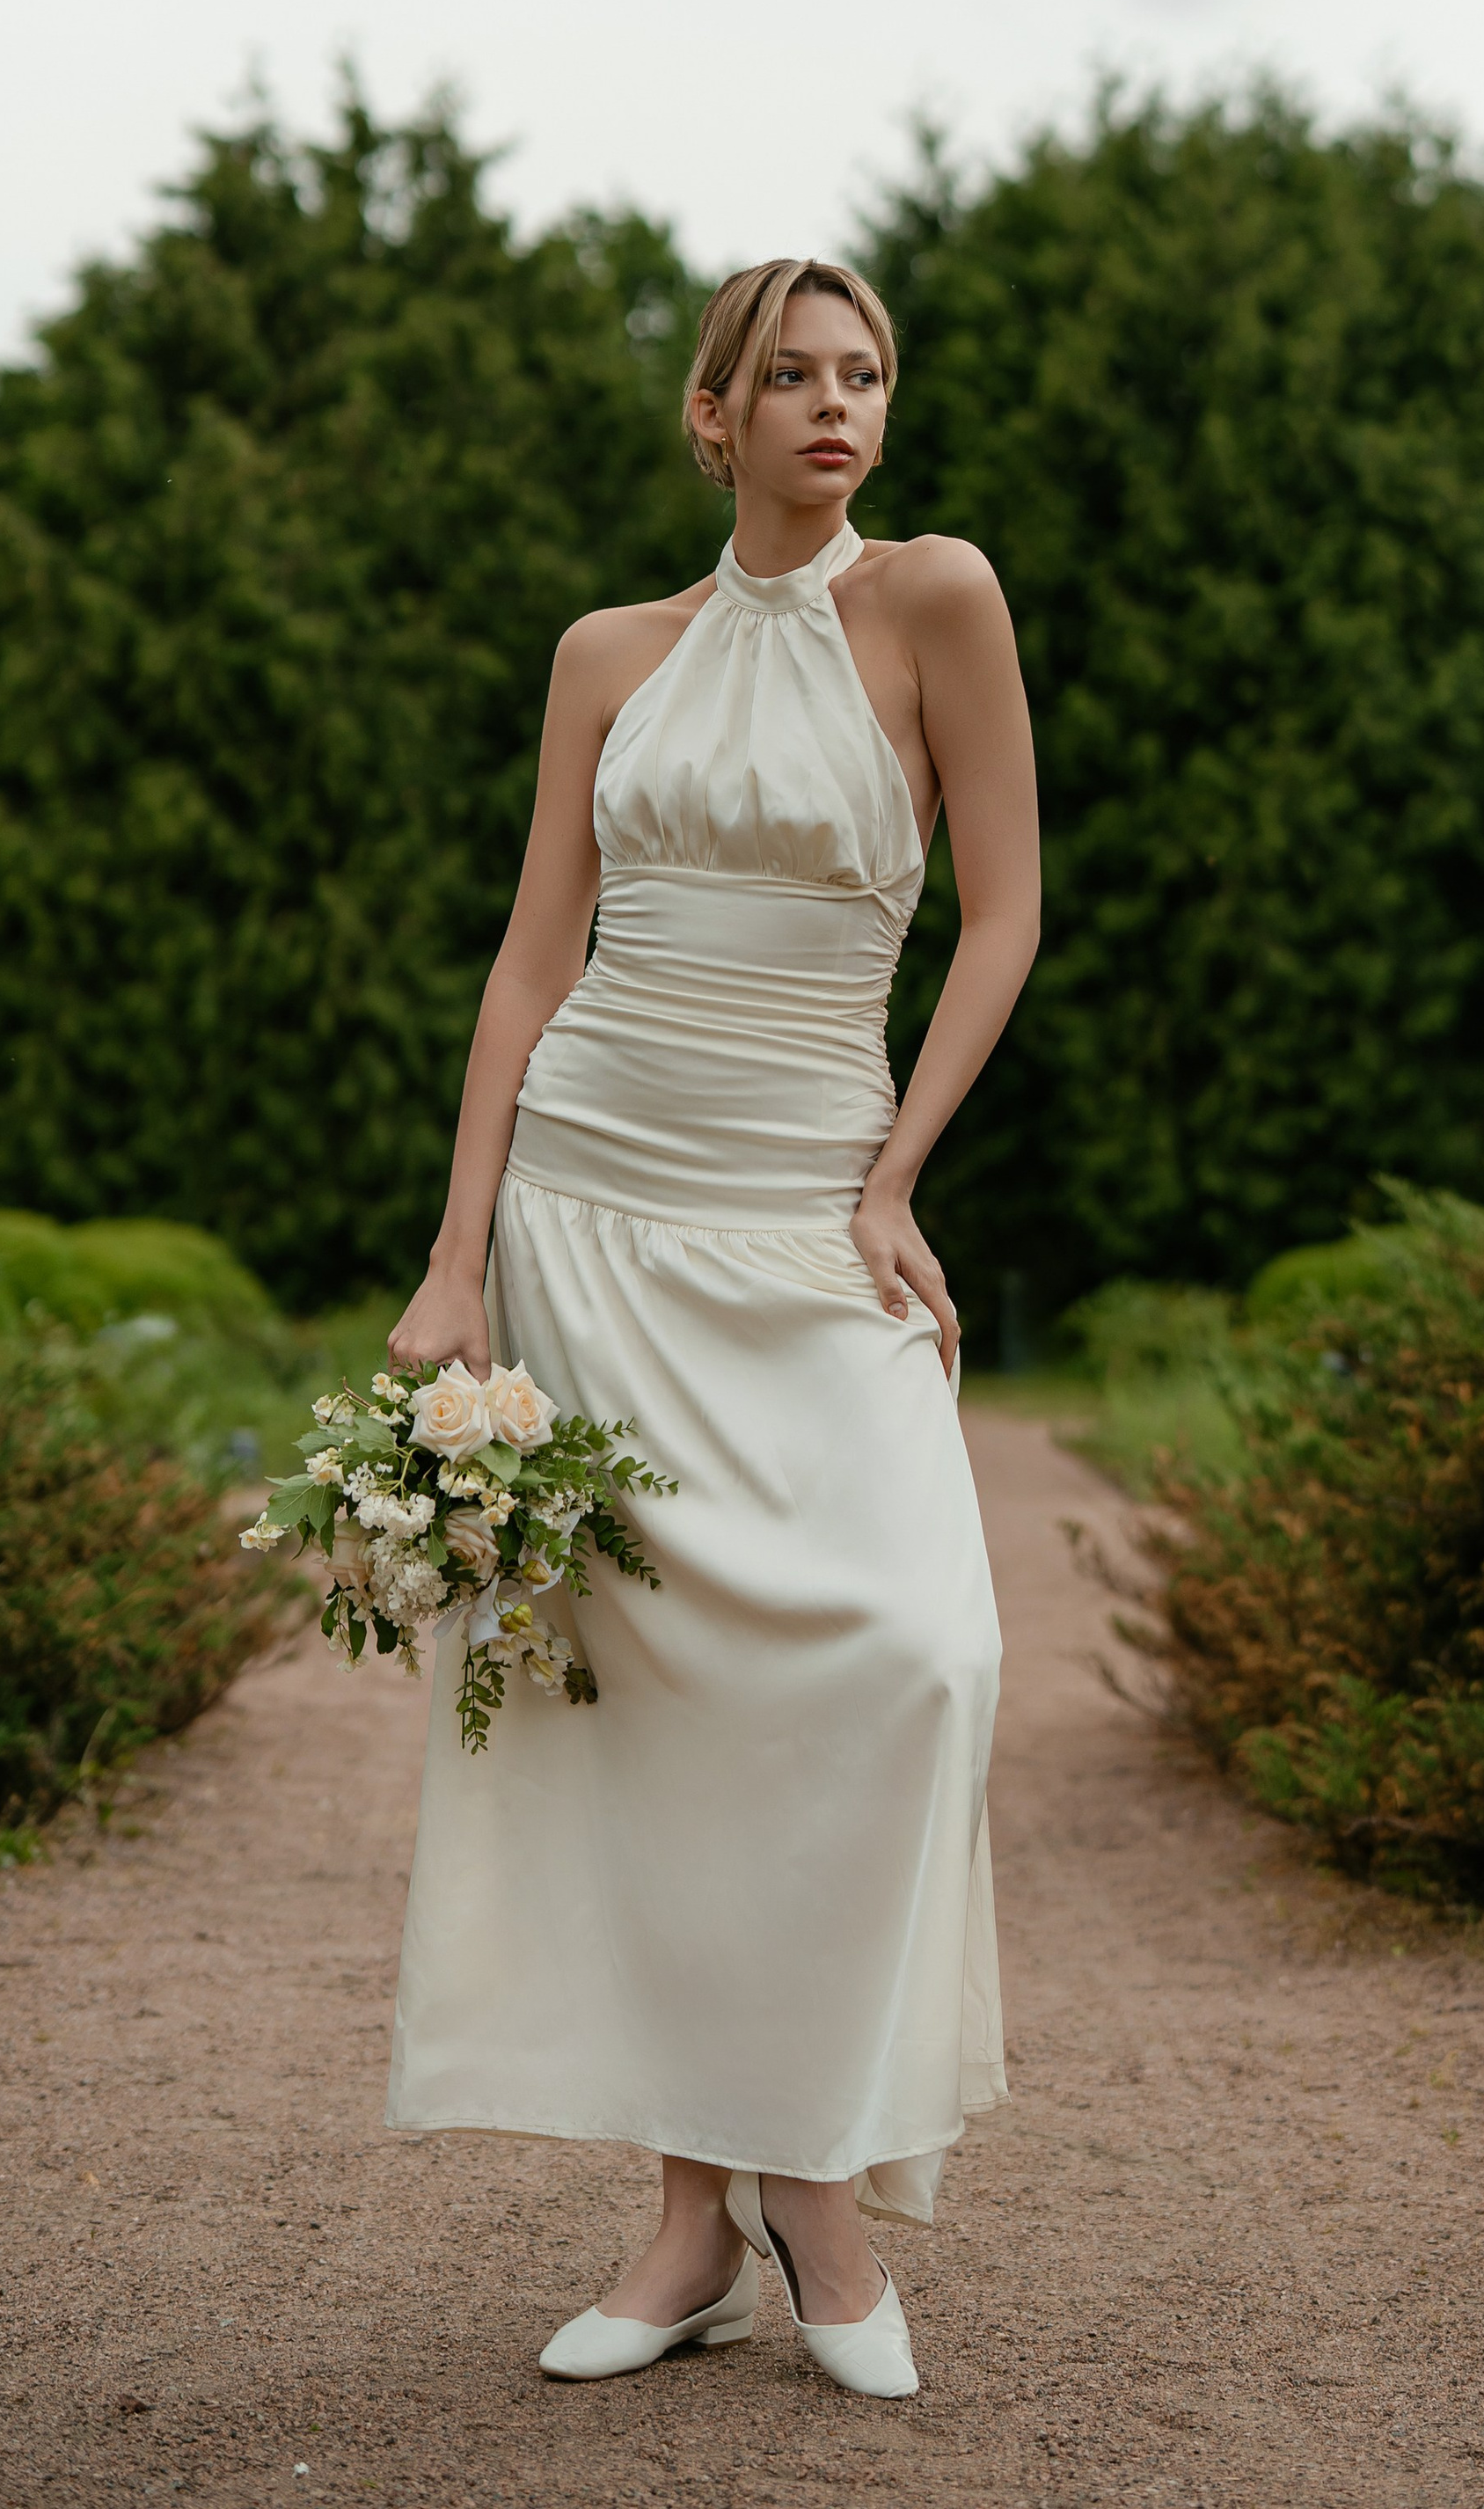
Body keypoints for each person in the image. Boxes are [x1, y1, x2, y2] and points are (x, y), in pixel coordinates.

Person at [381, 255, 1040, 2400]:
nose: (833, 405)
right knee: (639, 1713)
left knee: (918, 1656)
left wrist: (894, 1180)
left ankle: (822, 2181)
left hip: (804, 1224)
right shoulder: (607, 652)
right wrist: (456, 1254)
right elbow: (524, 961)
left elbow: (1007, 909)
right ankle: (701, 2229)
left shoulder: (935, 599)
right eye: (790, 375)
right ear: (712, 412)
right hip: (588, 1216)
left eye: (862, 374)